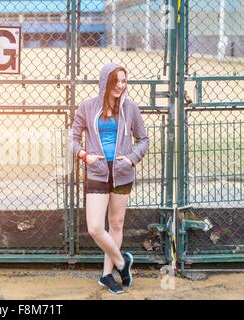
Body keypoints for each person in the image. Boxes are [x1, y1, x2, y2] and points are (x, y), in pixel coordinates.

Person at [71, 63, 149, 294]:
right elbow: (72, 139)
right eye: (116, 81)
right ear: (105, 82)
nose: (120, 86)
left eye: (124, 81)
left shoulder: (131, 108)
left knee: (116, 224)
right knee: (95, 227)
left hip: (122, 173)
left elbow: (143, 139)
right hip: (97, 171)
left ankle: (107, 275)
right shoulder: (87, 107)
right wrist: (85, 156)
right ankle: (122, 262)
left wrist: (132, 158)